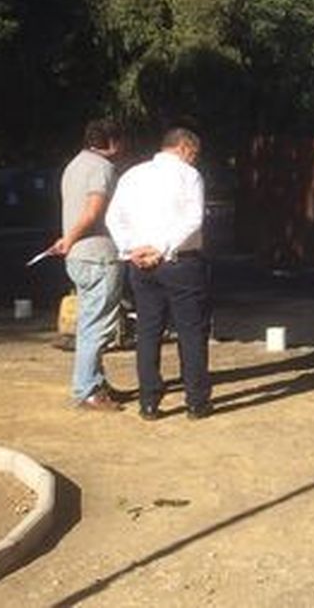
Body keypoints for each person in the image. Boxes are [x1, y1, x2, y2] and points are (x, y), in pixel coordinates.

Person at [105, 127, 210, 421]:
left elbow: (114, 217)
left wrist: (131, 248)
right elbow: (193, 219)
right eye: (194, 154)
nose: (194, 160)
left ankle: (149, 401)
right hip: (180, 261)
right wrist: (162, 248)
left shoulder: (132, 175)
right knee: (191, 331)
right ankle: (196, 401)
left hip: (140, 263)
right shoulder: (190, 176)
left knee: (148, 330)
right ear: (185, 148)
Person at [53, 119, 124, 411]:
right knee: (98, 326)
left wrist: (68, 241)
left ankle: (94, 379)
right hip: (97, 255)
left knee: (87, 323)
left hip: (78, 257)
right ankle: (88, 389)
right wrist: (70, 238)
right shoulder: (102, 168)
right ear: (112, 141)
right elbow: (94, 210)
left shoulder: (74, 166)